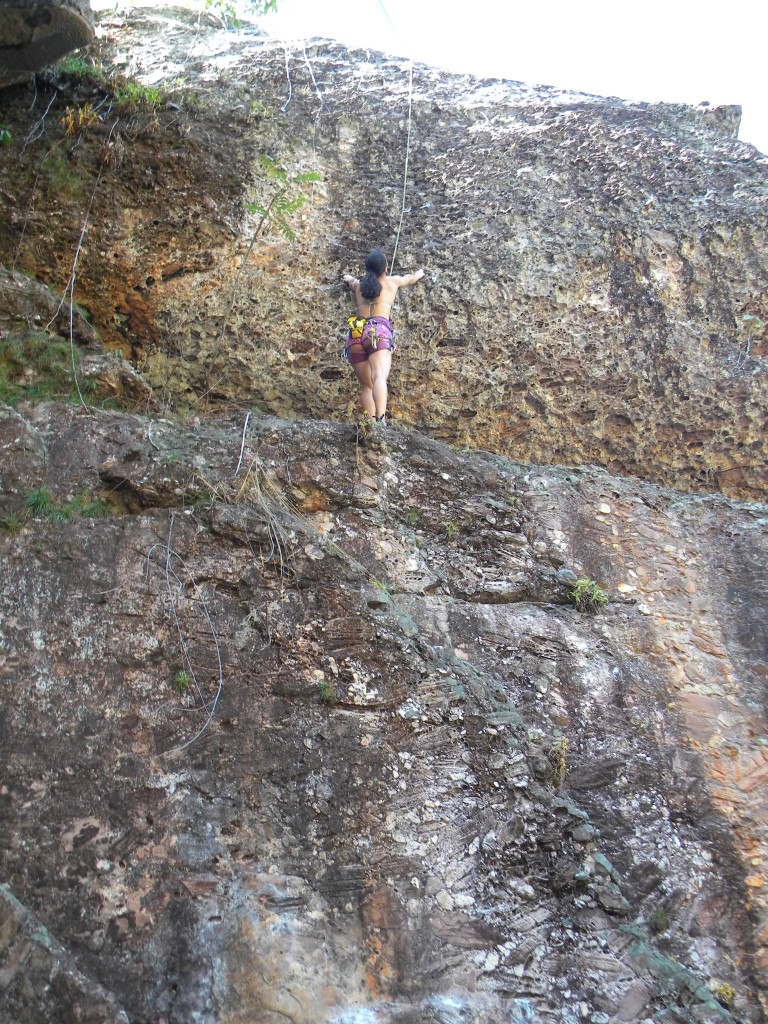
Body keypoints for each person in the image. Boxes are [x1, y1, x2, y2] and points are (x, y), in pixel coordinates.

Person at [343, 250, 424, 425]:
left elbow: (350, 281)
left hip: (357, 332)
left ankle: (371, 424)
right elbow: (410, 279)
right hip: (378, 331)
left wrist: (348, 277)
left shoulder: (360, 285)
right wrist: (419, 273)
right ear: (386, 268)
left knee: (366, 386)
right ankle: (381, 422)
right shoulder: (391, 281)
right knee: (379, 377)